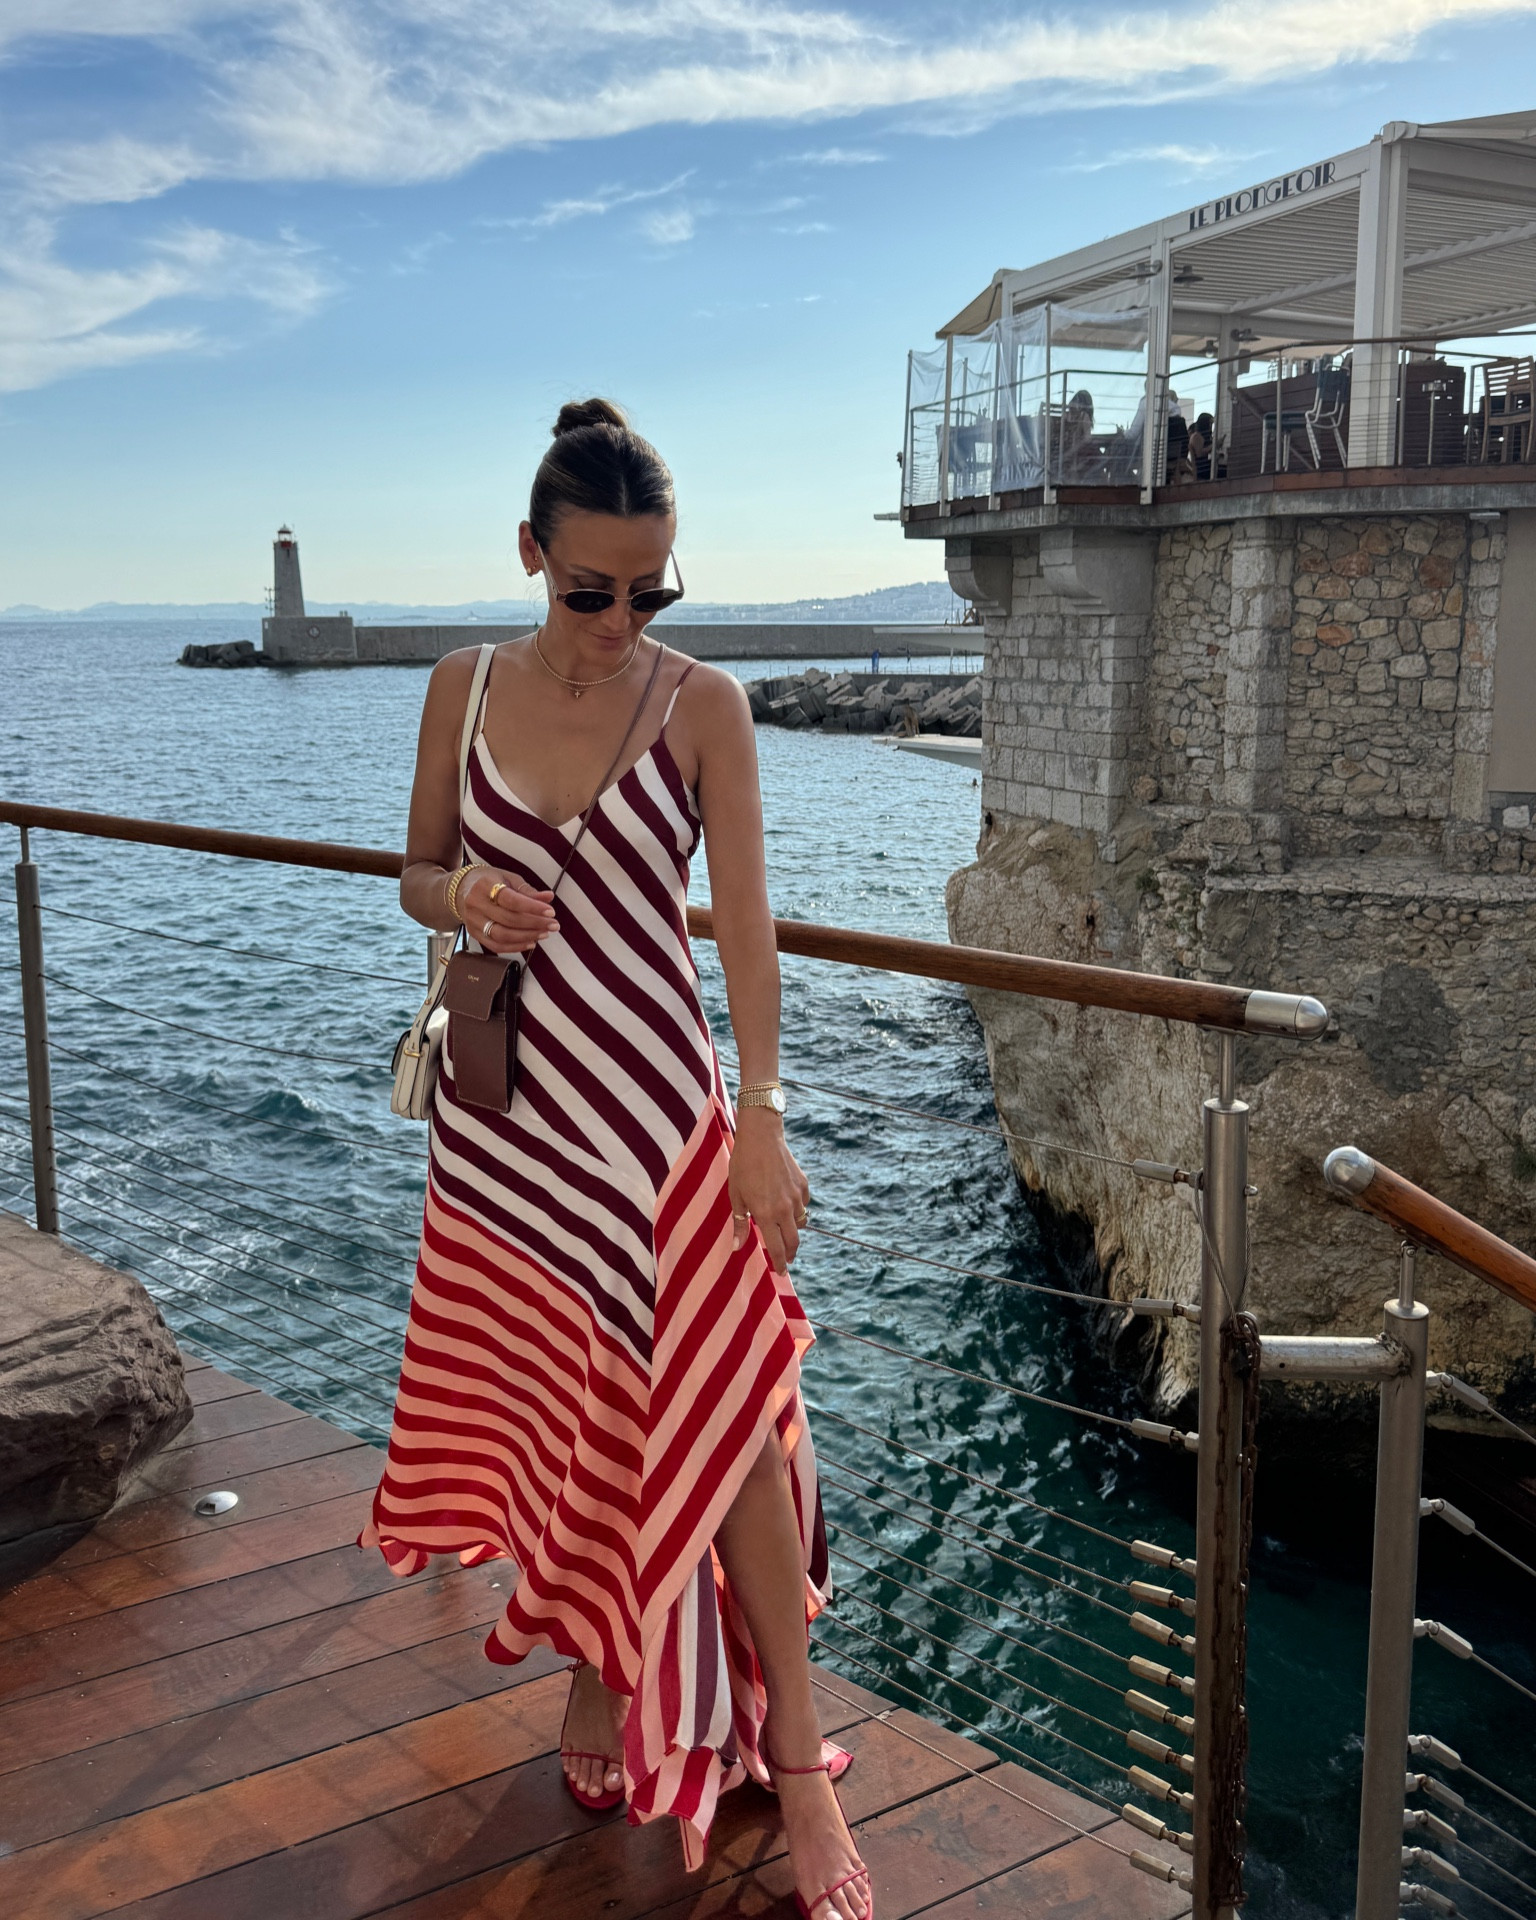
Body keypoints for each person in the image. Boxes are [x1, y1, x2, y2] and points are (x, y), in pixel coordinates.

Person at [363, 398, 872, 1920]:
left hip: (657, 1109)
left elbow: (750, 927)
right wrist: (464, 897)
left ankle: (791, 1747)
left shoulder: (703, 704)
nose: (619, 619)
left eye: (651, 590)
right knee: (576, 1400)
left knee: (719, 1400)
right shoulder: (459, 688)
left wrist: (763, 1117)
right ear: (531, 555)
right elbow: (411, 874)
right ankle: (595, 1669)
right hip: (515, 1122)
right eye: (591, 589)